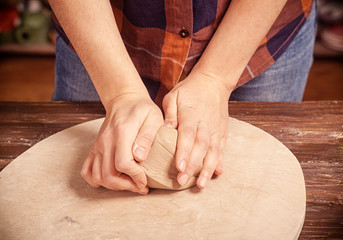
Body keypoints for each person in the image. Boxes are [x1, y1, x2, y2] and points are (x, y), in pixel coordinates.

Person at [48, 0, 316, 194]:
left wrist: (216, 78)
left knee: (263, 191)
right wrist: (120, 93)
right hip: (101, 31)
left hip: (259, 33)